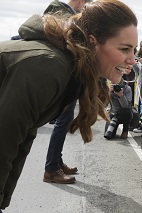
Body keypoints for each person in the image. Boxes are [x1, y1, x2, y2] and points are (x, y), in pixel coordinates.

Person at [0, 0, 138, 210]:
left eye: (134, 50)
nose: (133, 60)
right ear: (93, 42)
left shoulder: (70, 69)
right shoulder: (49, 67)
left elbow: (23, 137)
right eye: (125, 49)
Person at [43, 0, 91, 185]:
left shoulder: (65, 13)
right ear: (80, 1)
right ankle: (51, 169)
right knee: (62, 123)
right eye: (87, 4)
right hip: (64, 76)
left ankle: (56, 162)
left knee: (63, 123)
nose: (86, 8)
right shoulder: (61, 13)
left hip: (68, 76)